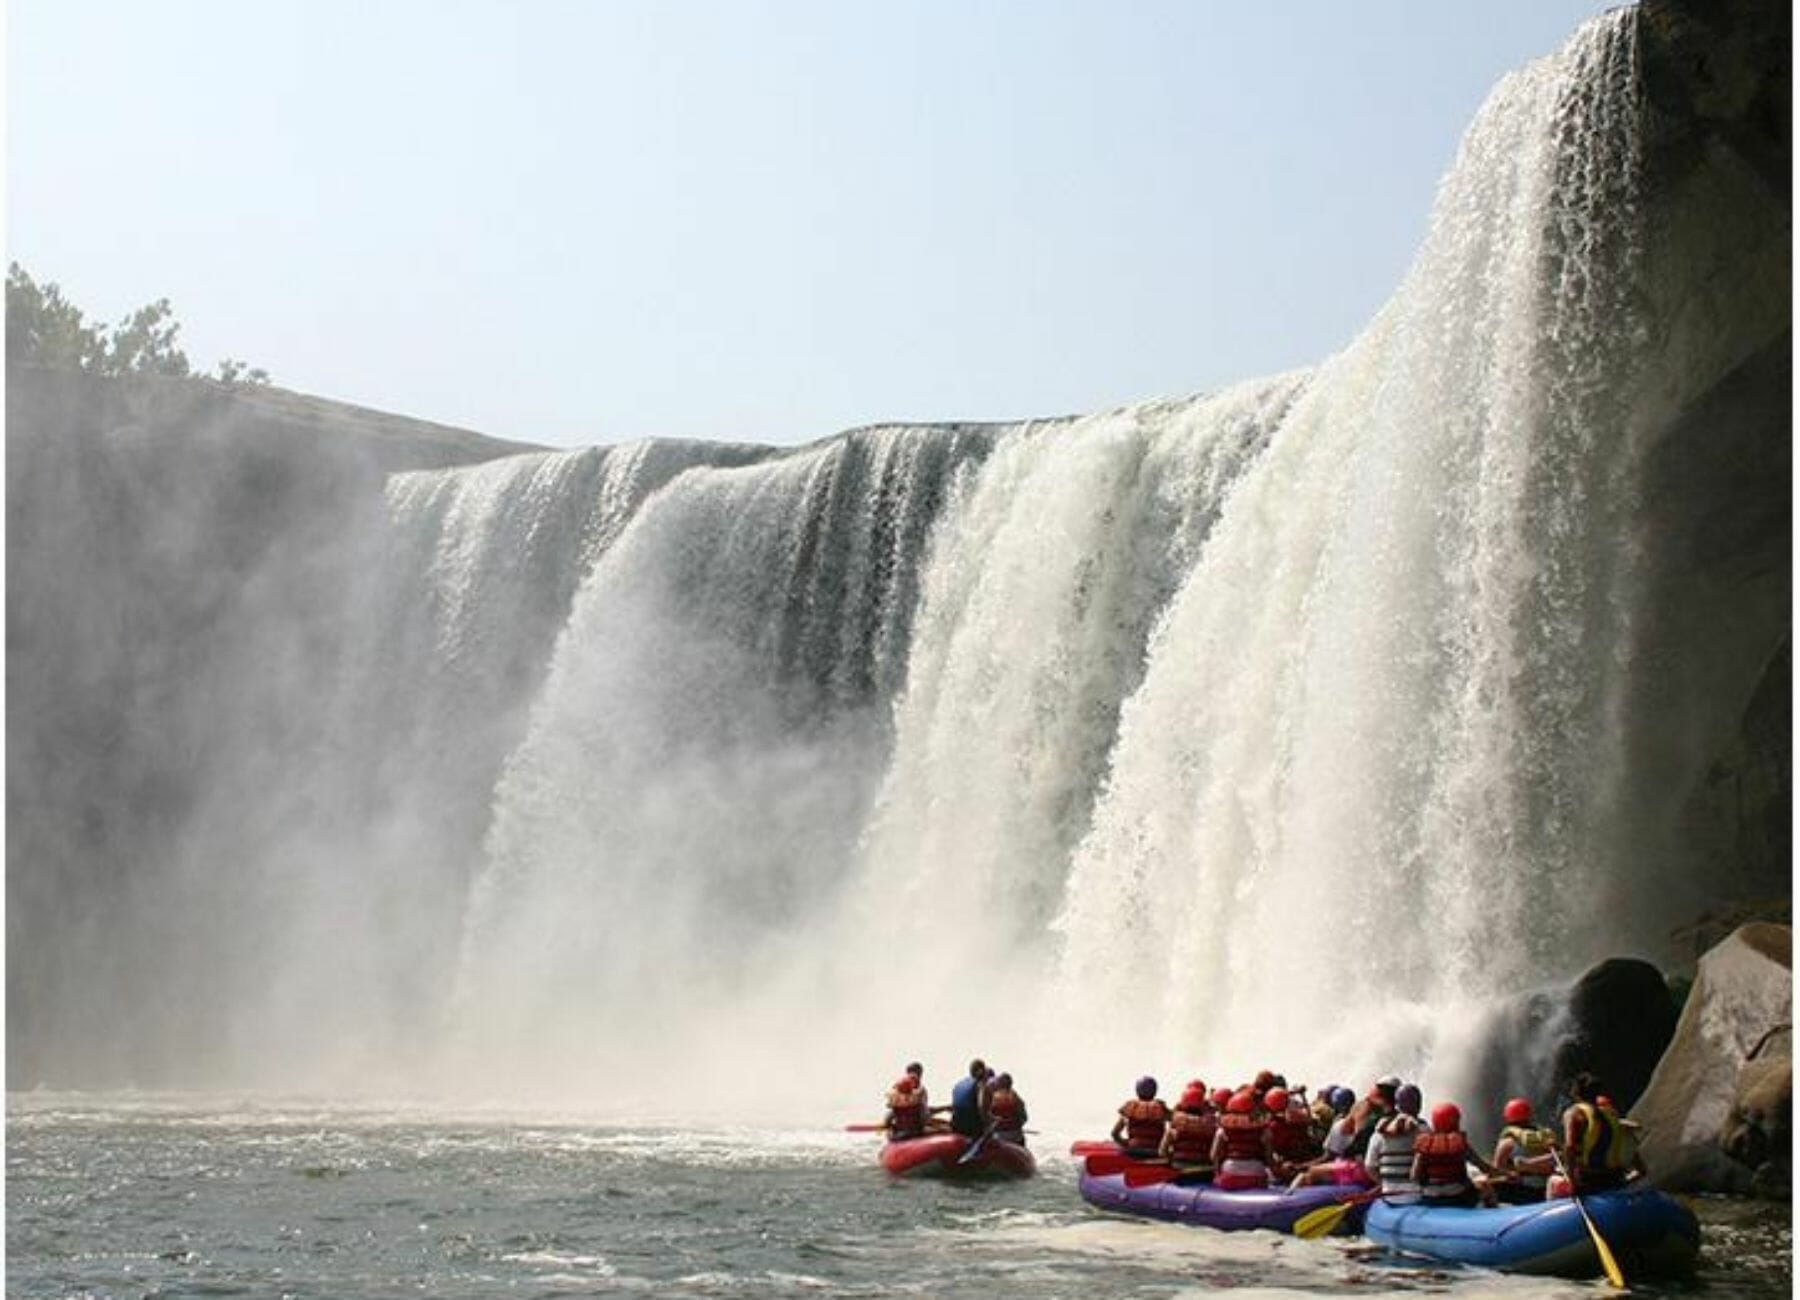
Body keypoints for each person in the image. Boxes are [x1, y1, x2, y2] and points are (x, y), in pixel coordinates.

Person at [1552, 1073, 1644, 1196]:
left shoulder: (1574, 1113)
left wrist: (1572, 1183)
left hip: (1588, 1179)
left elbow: (1570, 1147)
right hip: (1615, 1177)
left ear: (1575, 1092)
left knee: (1552, 1181)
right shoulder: (1611, 1115)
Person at [1411, 1102, 1502, 1208]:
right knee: (1485, 1187)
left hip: (1430, 1197)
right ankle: (1492, 1218)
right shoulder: (1459, 1143)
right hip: (1458, 1197)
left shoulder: (1425, 1144)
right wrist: (1505, 1174)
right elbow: (1483, 1167)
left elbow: (1414, 1176)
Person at [1364, 1083, 1427, 1198]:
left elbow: (1369, 1167)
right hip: (1418, 1195)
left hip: (1390, 1195)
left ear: (1397, 1106)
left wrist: (1383, 1184)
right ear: (1419, 1105)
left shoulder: (1379, 1133)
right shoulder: (1426, 1130)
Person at [1490, 1096, 1557, 1203]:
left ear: (1507, 1116)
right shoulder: (1543, 1136)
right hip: (1545, 1188)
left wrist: (1509, 1174)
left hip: (1523, 1190)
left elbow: (1496, 1169)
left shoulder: (1507, 1141)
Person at [1211, 1090, 1272, 1190]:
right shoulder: (1264, 1130)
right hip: (1256, 1173)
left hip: (1230, 1173)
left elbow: (1213, 1155)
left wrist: (1217, 1175)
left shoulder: (1223, 1130)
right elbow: (1269, 1158)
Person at [1159, 1081, 1217, 1178]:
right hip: (1205, 1172)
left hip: (1180, 1170)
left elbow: (1162, 1152)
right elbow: (1213, 1154)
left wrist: (1170, 1158)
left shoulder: (1174, 1128)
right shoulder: (1211, 1126)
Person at [1266, 1087, 1323, 1178]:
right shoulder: (1298, 1117)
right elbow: (1311, 1119)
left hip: (1291, 1162)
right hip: (1307, 1159)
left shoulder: (1271, 1126)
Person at [1111, 1076, 1171, 1156]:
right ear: (1155, 1091)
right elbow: (1175, 1126)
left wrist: (1126, 1143)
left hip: (1134, 1149)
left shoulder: (1130, 1107)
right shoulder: (1161, 1108)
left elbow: (1114, 1133)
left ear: (1137, 1090)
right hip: (1155, 1150)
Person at [950, 1059, 992, 1138]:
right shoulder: (981, 1086)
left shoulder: (958, 1084)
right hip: (971, 1128)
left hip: (956, 1126)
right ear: (980, 1071)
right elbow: (981, 1107)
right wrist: (988, 1123)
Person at [986, 1071, 1029, 1146]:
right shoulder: (1015, 1098)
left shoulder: (992, 1098)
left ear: (998, 1085)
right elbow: (1024, 1118)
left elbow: (987, 1119)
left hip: (998, 1136)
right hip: (1015, 1136)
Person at [884, 1073, 928, 1140]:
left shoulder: (896, 1106)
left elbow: (887, 1120)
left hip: (899, 1133)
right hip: (914, 1133)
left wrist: (890, 1126)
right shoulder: (917, 1104)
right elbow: (923, 1119)